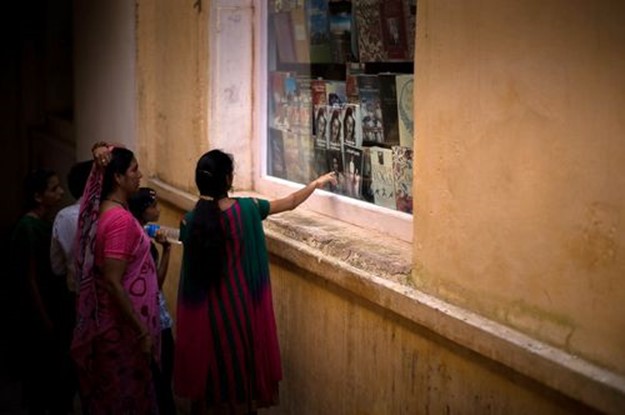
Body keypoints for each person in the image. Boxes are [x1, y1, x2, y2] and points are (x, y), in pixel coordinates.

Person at [174, 149, 336, 415]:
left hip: (207, 321)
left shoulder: (189, 222)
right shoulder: (247, 210)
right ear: (228, 179)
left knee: (213, 386)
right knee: (241, 382)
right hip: (240, 315)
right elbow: (290, 202)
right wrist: (315, 184)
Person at [72, 143, 161, 414]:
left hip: (119, 328)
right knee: (125, 400)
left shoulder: (110, 211)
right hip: (122, 332)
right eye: (134, 170)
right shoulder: (119, 221)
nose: (140, 175)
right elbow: (112, 281)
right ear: (118, 178)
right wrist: (141, 331)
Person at [9, 168, 66, 414]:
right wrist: (44, 317)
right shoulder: (28, 227)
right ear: (38, 196)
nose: (61, 192)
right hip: (38, 310)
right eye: (54, 189)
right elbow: (29, 277)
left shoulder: (45, 223)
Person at [129, 187, 177, 415]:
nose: (158, 210)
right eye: (154, 206)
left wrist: (165, 248)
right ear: (143, 210)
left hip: (152, 315)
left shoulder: (143, 234)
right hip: (155, 318)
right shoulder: (141, 241)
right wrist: (166, 250)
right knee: (161, 379)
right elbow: (155, 283)